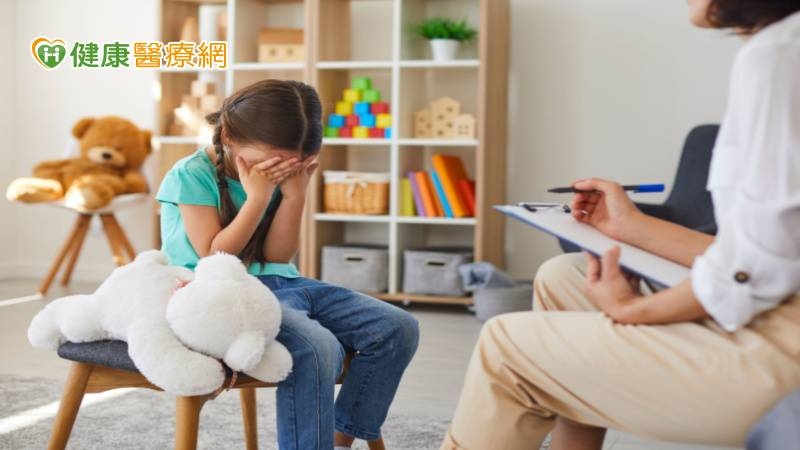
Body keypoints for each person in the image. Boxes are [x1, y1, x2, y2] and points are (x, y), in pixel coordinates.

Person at [442, 1, 800, 449]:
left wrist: (632, 309)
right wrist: (630, 226)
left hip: (781, 347)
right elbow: (772, 250)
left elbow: (751, 273)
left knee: (505, 346)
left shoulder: (776, 56)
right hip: (778, 305)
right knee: (564, 276)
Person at [156, 79, 419, 450]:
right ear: (229, 137)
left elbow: (278, 257)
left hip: (282, 283)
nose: (277, 169)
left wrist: (295, 195)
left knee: (396, 327)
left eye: (287, 164)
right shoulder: (191, 174)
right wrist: (257, 198)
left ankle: (339, 439)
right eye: (270, 161)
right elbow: (214, 258)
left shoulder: (277, 173)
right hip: (220, 294)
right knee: (318, 347)